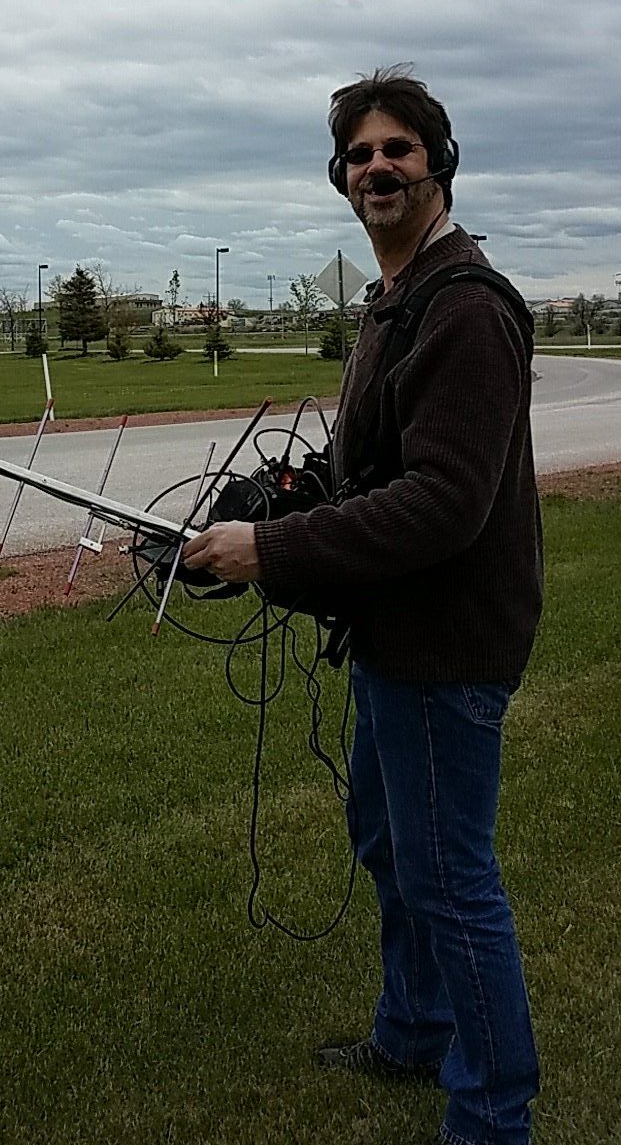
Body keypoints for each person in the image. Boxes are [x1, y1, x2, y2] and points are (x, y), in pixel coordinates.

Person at [182, 66, 542, 1145]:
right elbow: (369, 466)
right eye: (359, 154)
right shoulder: (394, 303)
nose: (377, 167)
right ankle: (416, 1030)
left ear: (438, 164)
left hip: (446, 642)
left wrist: (276, 550)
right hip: (392, 633)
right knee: (390, 841)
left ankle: (491, 1116)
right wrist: (276, 504)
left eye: (398, 149)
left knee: (449, 877)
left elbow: (441, 505)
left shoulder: (466, 309)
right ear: (340, 181)